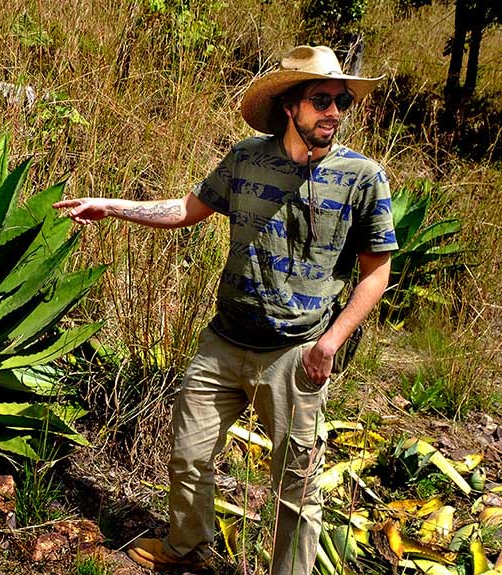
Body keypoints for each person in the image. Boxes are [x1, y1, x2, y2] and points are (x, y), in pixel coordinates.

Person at [53, 45, 398, 574]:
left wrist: (329, 343)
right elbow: (188, 210)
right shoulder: (246, 158)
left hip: (297, 352)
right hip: (224, 341)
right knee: (189, 457)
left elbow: (377, 272)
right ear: (290, 106)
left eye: (342, 102)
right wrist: (113, 206)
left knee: (296, 487)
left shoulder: (362, 177)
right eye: (321, 99)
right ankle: (186, 549)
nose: (333, 112)